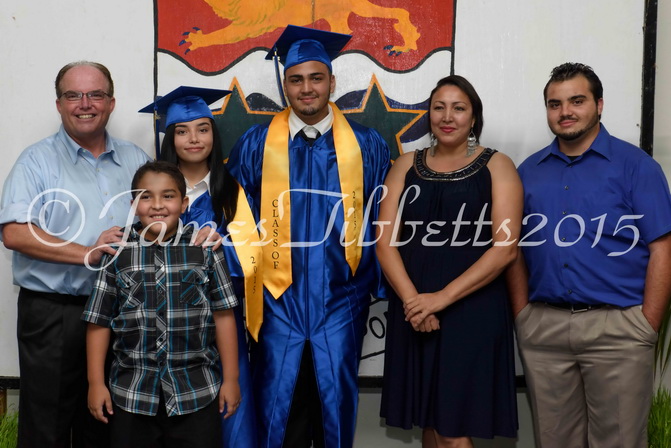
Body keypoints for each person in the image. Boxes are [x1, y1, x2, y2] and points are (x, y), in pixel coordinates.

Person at [226, 25, 391, 448]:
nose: (306, 88)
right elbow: (237, 219)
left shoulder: (367, 144)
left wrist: (370, 284)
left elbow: (381, 219)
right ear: (285, 86)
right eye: (296, 79)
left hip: (342, 299)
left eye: (316, 78)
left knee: (333, 405)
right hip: (275, 300)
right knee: (277, 406)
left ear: (332, 82)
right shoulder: (256, 144)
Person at [508, 62, 671, 448]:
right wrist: (523, 315)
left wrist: (646, 325)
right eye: (555, 104)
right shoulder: (527, 172)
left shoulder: (637, 167)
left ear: (599, 105)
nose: (565, 111)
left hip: (619, 329)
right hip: (544, 329)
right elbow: (511, 249)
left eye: (577, 101)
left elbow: (662, 248)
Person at [0, 61, 151, 447]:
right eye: (73, 95)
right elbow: (14, 233)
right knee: (46, 426)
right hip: (55, 314)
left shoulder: (136, 160)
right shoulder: (36, 161)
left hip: (121, 315)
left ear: (111, 103)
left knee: (105, 425)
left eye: (96, 94)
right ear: (59, 104)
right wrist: (87, 252)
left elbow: (159, 223)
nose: (85, 104)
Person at [377, 75, 522, 447]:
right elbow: (384, 243)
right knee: (429, 423)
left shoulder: (498, 165)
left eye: (459, 108)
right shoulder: (405, 165)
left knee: (452, 432)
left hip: (472, 311)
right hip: (414, 310)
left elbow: (505, 249)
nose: (447, 116)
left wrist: (438, 300)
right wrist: (415, 303)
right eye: (438, 107)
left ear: (473, 117)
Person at [83, 161, 240, 448]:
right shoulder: (116, 252)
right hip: (132, 393)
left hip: (196, 392)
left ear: (184, 203)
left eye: (168, 196)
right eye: (146, 197)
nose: (157, 205)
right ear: (133, 204)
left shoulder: (205, 249)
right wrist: (96, 383)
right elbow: (99, 320)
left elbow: (224, 314)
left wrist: (231, 379)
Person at [139, 87, 258, 448]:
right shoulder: (153, 192)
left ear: (213, 135)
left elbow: (253, 259)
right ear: (170, 138)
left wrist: (222, 245)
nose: (193, 139)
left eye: (202, 129)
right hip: (161, 325)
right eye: (182, 131)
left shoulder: (233, 192)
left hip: (219, 322)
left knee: (230, 416)